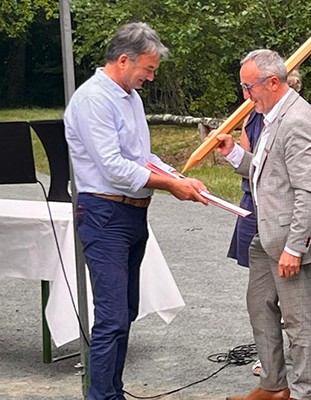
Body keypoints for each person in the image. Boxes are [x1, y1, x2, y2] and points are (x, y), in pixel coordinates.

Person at [63, 22, 209, 400]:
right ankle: (102, 396)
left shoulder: (130, 96)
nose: (151, 75)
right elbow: (113, 167)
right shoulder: (93, 98)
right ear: (124, 60)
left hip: (132, 215)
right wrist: (171, 186)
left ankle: (114, 390)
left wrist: (177, 176)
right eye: (148, 68)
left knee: (125, 313)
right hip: (104, 214)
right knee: (111, 317)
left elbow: (142, 158)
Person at [218, 49, 311, 400]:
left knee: (299, 322)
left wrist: (293, 249)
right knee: (259, 304)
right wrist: (235, 154)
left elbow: (309, 192)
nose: (245, 94)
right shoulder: (272, 114)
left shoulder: (297, 119)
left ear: (272, 82)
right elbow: (269, 171)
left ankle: (305, 394)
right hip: (266, 234)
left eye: (248, 86)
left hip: (288, 240)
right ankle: (273, 385)